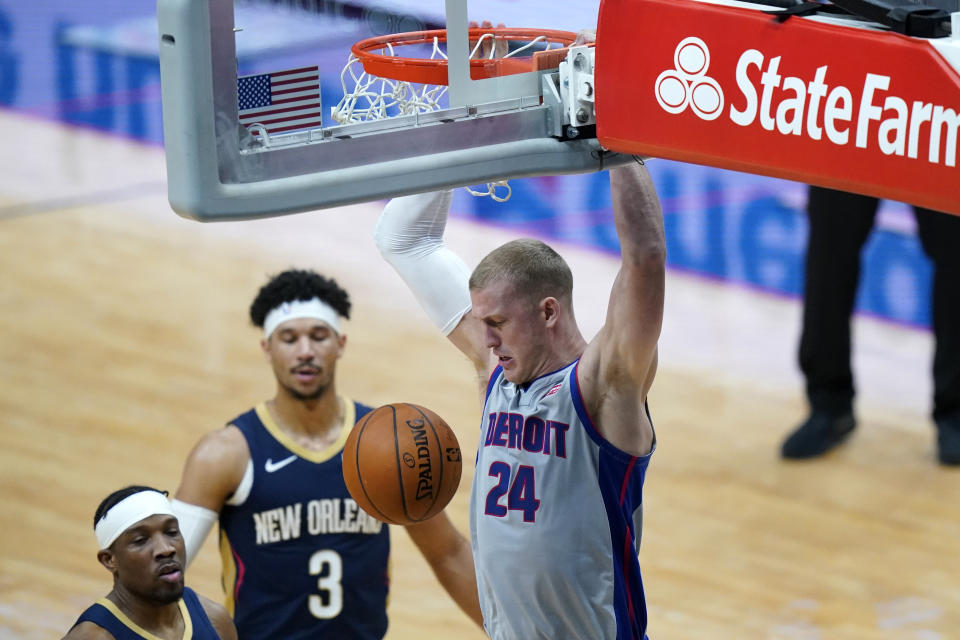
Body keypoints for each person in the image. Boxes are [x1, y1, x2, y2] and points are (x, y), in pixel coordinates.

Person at [374, 159, 664, 639]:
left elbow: (646, 259)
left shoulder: (603, 384)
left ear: (548, 311)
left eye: (497, 323)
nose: (483, 339)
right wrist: (456, 134)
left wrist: (620, 149)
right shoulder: (497, 376)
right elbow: (403, 240)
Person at [170, 269, 480, 639]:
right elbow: (157, 574)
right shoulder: (225, 454)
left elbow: (448, 553)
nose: (305, 351)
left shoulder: (387, 443)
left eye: (318, 337)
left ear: (341, 343)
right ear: (267, 348)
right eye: (289, 338)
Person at [781, 186, 960, 465]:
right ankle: (828, 405)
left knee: (955, 252)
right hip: (847, 145)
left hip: (942, 142)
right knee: (829, 249)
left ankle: (955, 416)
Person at [63, 485, 237, 640]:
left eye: (171, 532)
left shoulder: (214, 619)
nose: (165, 549)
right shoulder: (93, 636)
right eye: (140, 540)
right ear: (109, 560)